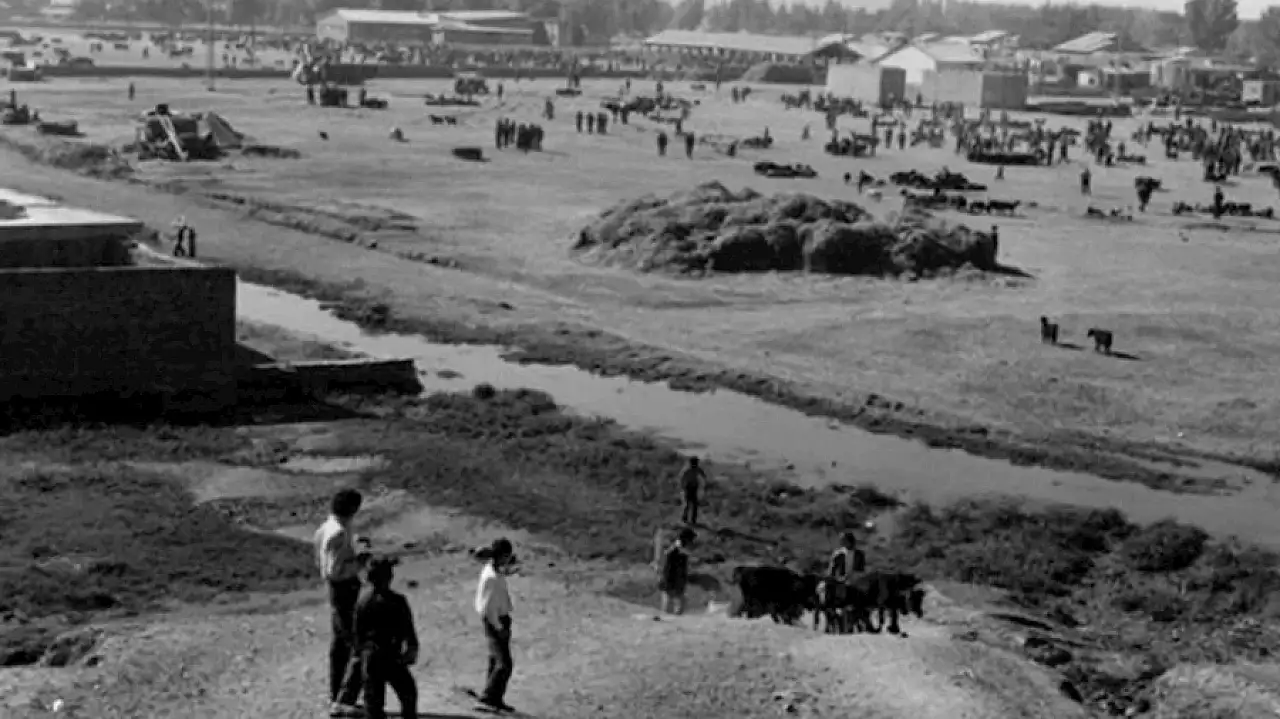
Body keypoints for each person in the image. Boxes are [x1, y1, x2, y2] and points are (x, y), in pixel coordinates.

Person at [315, 488, 370, 718]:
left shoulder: (327, 527)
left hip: (338, 591)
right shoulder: (338, 532)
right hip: (344, 589)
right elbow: (334, 571)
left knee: (340, 646)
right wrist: (359, 562)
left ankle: (337, 693)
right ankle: (345, 700)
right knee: (357, 644)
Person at [346, 557, 419, 719]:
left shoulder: (362, 602)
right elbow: (409, 631)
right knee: (408, 694)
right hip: (392, 655)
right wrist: (411, 650)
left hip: (370, 657)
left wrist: (359, 658)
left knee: (373, 703)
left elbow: (357, 636)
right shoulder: (397, 601)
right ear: (389, 577)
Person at [474, 538, 517, 713]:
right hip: (495, 621)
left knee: (495, 660)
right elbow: (488, 608)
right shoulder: (491, 577)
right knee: (504, 664)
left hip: (499, 619)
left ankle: (495, 697)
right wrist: (499, 628)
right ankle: (488, 697)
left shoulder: (493, 570)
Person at [659, 527, 696, 615]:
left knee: (675, 600)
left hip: (675, 576)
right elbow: (669, 562)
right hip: (672, 576)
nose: (692, 542)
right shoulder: (677, 548)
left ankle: (670, 617)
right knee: (671, 600)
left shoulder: (678, 548)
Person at [677, 456, 707, 526]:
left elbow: (703, 475)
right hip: (688, 487)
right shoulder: (687, 469)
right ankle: (685, 518)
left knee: (693, 504)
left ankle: (692, 519)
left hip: (693, 487)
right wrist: (683, 487)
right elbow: (682, 478)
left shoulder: (695, 469)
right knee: (688, 504)